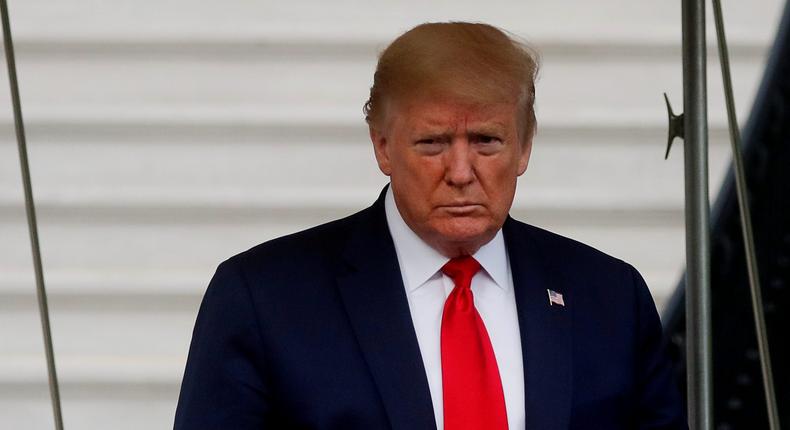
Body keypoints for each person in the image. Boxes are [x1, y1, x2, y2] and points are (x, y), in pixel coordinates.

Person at [174, 22, 686, 429]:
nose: (461, 173)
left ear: (525, 146)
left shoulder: (610, 298)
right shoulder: (264, 298)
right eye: (433, 143)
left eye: (486, 140)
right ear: (382, 147)